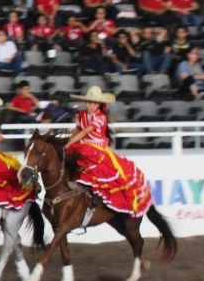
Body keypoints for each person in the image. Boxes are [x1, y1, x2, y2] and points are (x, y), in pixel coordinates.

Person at [64, 87, 151, 216]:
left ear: (97, 104)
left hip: (97, 150)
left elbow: (85, 131)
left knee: (94, 167)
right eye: (87, 102)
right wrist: (68, 140)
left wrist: (70, 143)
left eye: (91, 102)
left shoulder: (100, 117)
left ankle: (92, 198)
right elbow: (77, 130)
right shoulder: (82, 115)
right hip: (85, 146)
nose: (89, 105)